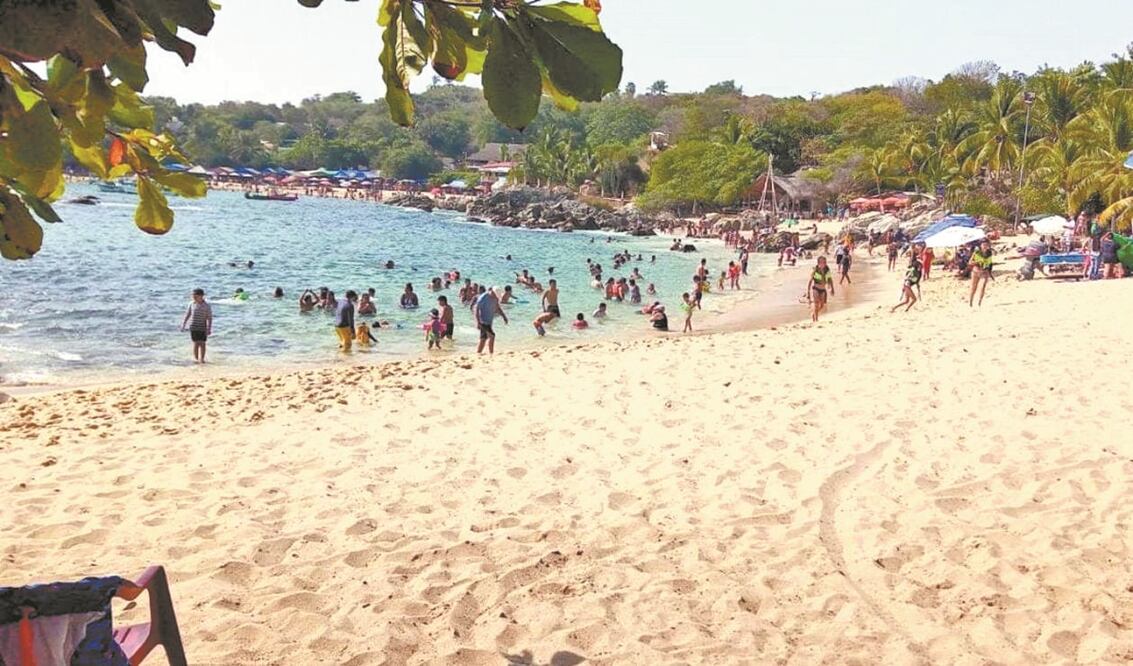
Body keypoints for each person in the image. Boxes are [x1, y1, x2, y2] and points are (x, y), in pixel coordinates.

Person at [179, 288, 213, 363]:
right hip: (193, 326)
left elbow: (209, 318)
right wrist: (183, 324)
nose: (193, 296)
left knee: (202, 343)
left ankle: (202, 359)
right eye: (193, 295)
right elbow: (187, 314)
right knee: (196, 343)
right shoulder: (191, 304)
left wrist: (209, 328)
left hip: (202, 327)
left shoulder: (206, 306)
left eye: (195, 295)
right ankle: (196, 359)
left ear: (201, 296)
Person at [474, 287, 508, 354]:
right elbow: (476, 309)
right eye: (495, 295)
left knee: (483, 339)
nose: (495, 297)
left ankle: (478, 353)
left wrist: (504, 316)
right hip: (483, 321)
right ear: (492, 292)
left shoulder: (495, 298)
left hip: (489, 321)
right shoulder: (483, 297)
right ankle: (491, 353)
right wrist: (477, 322)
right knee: (492, 336)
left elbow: (497, 307)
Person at [806, 256, 834, 323]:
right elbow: (810, 281)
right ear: (818, 263)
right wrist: (808, 292)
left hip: (823, 289)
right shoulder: (815, 270)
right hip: (816, 288)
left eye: (824, 262)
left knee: (822, 305)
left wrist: (832, 288)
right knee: (816, 303)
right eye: (821, 262)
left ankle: (814, 314)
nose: (823, 264)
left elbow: (830, 280)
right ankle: (816, 319)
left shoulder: (827, 270)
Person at [969, 240, 994, 307]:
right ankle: (970, 302)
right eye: (983, 245)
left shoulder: (989, 253)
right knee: (973, 287)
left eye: (986, 245)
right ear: (981, 245)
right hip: (976, 271)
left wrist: (990, 272)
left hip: (984, 272)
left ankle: (979, 303)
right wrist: (978, 262)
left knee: (982, 287)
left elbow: (990, 263)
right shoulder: (976, 252)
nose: (985, 246)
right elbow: (970, 262)